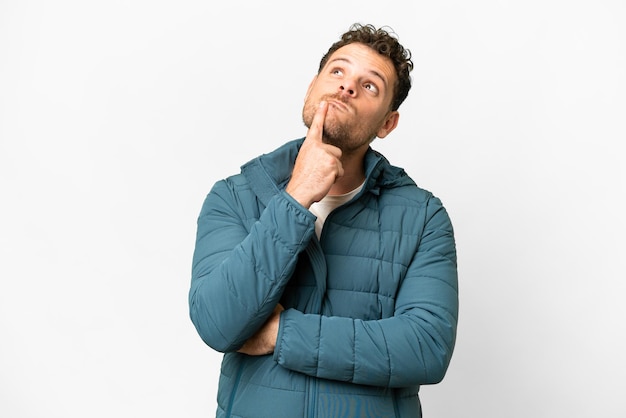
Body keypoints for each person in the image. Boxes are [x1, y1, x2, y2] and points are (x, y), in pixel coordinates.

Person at [189, 23, 458, 418]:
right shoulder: (235, 197)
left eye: (370, 86)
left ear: (387, 123)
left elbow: (425, 347)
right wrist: (297, 196)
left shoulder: (422, 216)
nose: (347, 86)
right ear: (311, 89)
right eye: (337, 71)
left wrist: (283, 334)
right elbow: (217, 323)